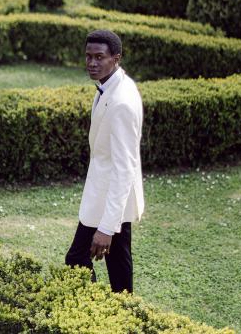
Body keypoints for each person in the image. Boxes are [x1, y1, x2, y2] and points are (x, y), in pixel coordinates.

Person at [65, 29, 144, 293]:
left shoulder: (121, 102)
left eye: (99, 57)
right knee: (119, 266)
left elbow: (125, 169)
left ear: (116, 58)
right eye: (88, 56)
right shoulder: (112, 85)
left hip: (111, 198)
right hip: (106, 194)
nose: (92, 63)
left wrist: (107, 228)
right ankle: (124, 316)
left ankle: (96, 313)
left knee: (77, 259)